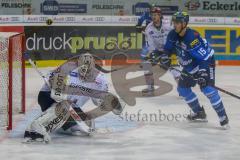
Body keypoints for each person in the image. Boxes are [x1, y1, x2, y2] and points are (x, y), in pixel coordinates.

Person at [148, 11, 229, 128]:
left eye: (177, 23)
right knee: (183, 89)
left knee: (208, 89)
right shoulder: (172, 34)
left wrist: (202, 74)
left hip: (205, 63)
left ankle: (223, 117)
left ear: (184, 23)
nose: (174, 25)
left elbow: (204, 58)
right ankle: (199, 113)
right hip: (189, 65)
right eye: (174, 22)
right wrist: (159, 56)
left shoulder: (192, 38)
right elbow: (167, 51)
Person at [24, 53, 124, 143]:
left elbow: (97, 101)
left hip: (72, 106)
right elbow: (54, 85)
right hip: (47, 96)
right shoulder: (67, 68)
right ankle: (37, 127)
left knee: (88, 127)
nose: (84, 74)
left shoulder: (101, 80)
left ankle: (53, 120)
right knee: (65, 106)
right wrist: (57, 88)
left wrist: (112, 104)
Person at [141, 6, 180, 95]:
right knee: (146, 65)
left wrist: (170, 53)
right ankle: (150, 88)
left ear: (160, 15)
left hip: (171, 50)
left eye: (156, 15)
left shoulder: (168, 25)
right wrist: (153, 55)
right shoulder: (148, 28)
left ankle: (182, 90)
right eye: (152, 15)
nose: (153, 16)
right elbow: (150, 45)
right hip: (158, 51)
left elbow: (176, 37)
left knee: (175, 70)